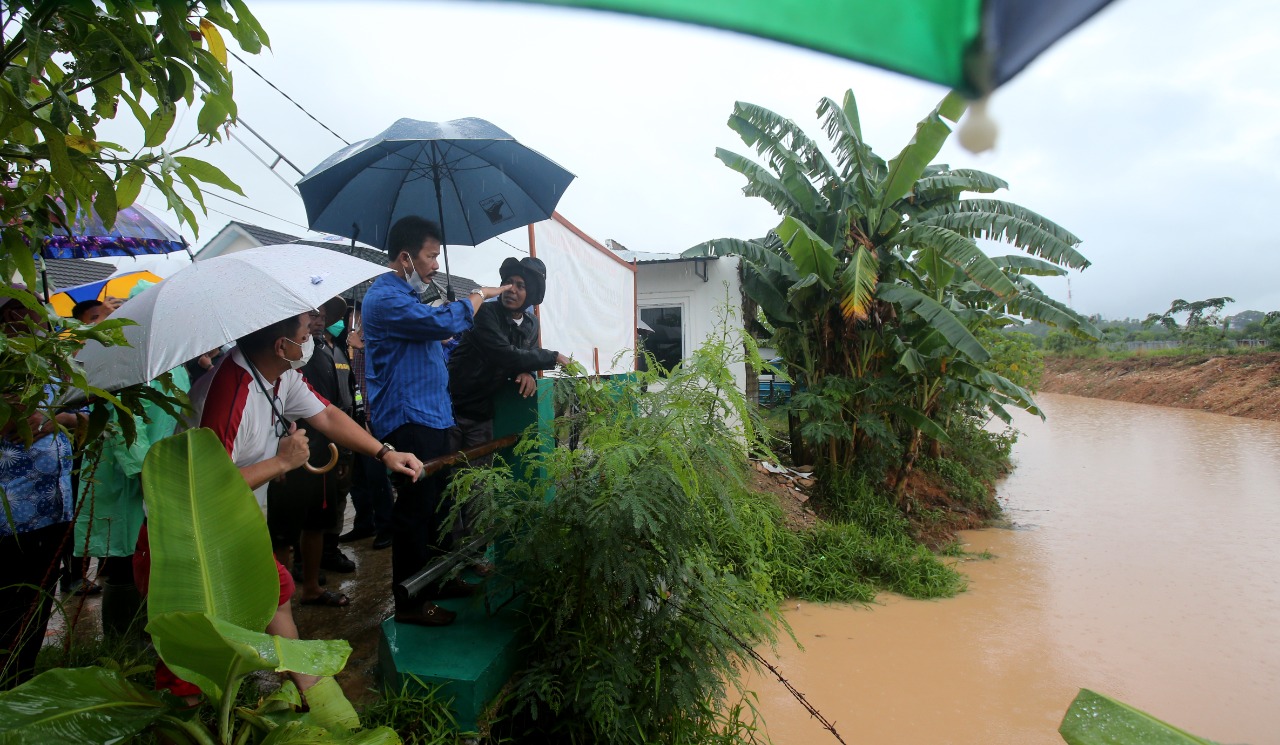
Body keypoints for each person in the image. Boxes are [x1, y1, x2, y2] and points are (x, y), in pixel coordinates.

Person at [157, 309, 424, 697]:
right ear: (282, 345)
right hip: (188, 538)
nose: (311, 337)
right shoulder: (230, 390)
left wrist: (384, 453)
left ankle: (309, 696)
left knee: (277, 593)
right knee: (189, 666)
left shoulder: (280, 377)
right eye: (304, 332)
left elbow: (328, 415)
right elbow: (204, 487)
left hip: (232, 527)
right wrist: (280, 462)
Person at [362, 216, 507, 627]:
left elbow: (438, 331)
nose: (434, 266)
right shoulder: (385, 298)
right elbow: (444, 323)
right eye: (430, 257)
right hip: (409, 419)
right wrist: (476, 296)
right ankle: (411, 601)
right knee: (415, 512)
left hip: (434, 416)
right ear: (405, 258)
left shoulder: (406, 300)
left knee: (441, 505)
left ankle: (440, 579)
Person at [447, 257, 568, 549]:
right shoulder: (485, 315)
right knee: (448, 487)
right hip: (450, 408)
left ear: (533, 293)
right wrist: (551, 356)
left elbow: (520, 354)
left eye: (521, 285)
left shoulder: (530, 325)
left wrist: (525, 370)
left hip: (482, 412)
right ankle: (449, 556)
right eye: (509, 282)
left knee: (476, 486)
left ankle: (473, 552)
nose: (512, 289)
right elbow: (505, 353)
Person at [0, 285, 83, 688]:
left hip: (53, 510)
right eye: (29, 311)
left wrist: (56, 420)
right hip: (9, 518)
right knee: (8, 607)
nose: (39, 319)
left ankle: (21, 687)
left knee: (36, 606)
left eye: (40, 310)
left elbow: (85, 416)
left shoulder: (53, 364)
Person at [266, 297, 357, 607]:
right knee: (282, 533)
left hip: (322, 449)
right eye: (309, 318)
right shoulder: (287, 365)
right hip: (291, 453)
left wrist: (346, 451)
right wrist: (277, 462)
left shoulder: (329, 352)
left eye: (319, 317)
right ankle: (280, 600)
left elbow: (331, 409)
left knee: (317, 523)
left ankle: (310, 590)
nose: (314, 325)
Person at [338, 305, 394, 550]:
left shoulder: (379, 335)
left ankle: (387, 527)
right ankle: (364, 523)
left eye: (357, 315)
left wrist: (362, 347)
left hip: (375, 411)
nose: (354, 320)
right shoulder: (343, 340)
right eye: (351, 316)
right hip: (352, 413)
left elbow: (391, 360)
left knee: (376, 473)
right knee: (357, 475)